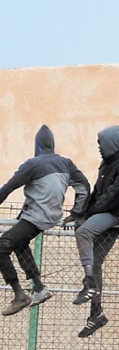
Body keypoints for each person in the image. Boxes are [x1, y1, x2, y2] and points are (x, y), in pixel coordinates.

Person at [68, 126, 119, 337]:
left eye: (100, 143)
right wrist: (79, 212)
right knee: (95, 259)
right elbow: (98, 193)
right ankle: (96, 314)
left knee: (84, 232)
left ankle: (89, 283)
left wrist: (85, 216)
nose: (98, 147)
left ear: (110, 143)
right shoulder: (108, 163)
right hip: (111, 208)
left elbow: (110, 198)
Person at [0, 125, 90, 317]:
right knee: (19, 243)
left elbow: (8, 188)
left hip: (36, 217)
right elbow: (84, 186)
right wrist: (76, 211)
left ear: (37, 146)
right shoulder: (66, 163)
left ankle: (19, 296)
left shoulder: (32, 164)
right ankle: (39, 287)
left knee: (2, 247)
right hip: (52, 216)